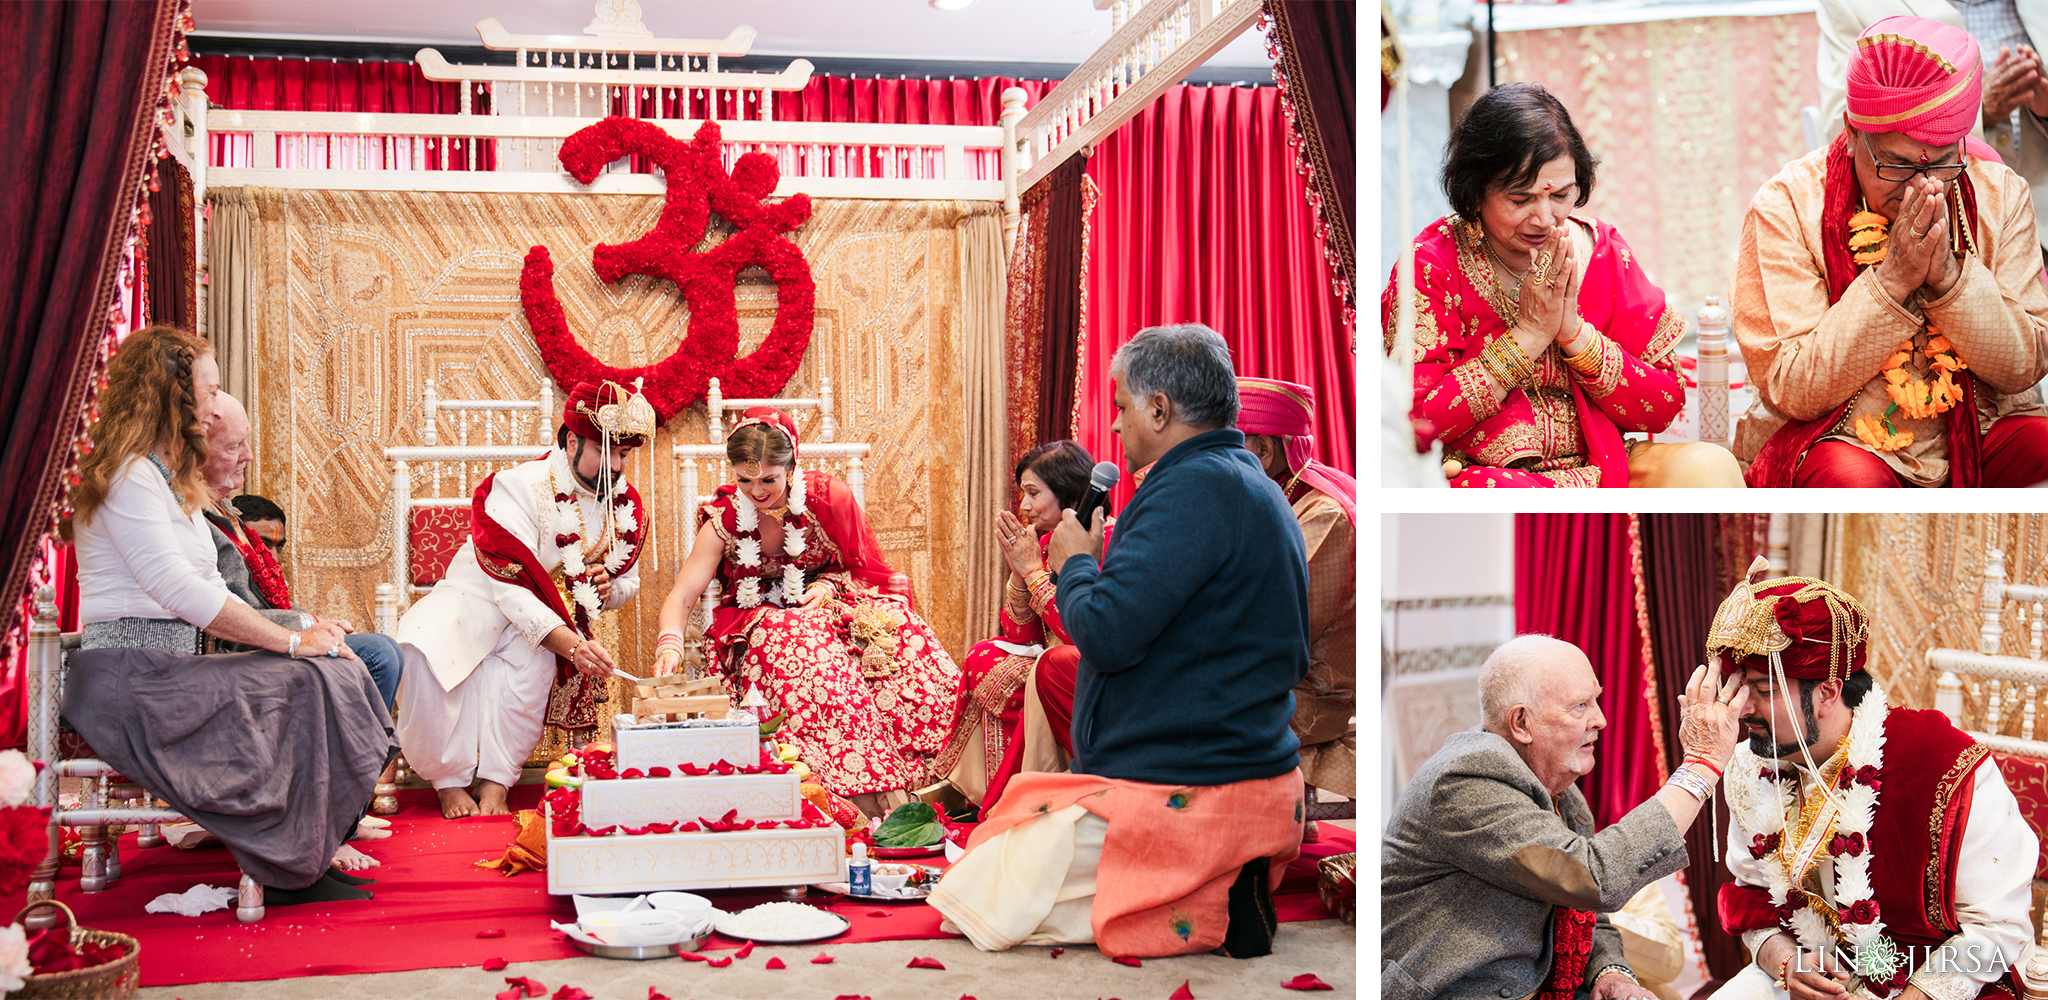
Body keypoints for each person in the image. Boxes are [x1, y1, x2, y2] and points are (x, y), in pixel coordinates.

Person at [931, 323, 1308, 960]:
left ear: (1159, 409)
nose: (1114, 427)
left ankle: (1208, 895)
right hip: (1242, 765)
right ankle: (1216, 880)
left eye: (1121, 407)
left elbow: (1104, 636)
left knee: (977, 892)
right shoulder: (1247, 483)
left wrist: (1077, 561)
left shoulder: (1192, 489)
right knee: (1003, 865)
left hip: (1193, 781)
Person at [61, 326, 394, 904]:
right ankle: (288, 860)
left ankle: (303, 853)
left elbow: (213, 587)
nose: (216, 407)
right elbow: (176, 590)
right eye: (210, 392)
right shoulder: (129, 473)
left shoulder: (171, 484)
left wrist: (302, 633)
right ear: (172, 397)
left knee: (333, 666)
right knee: (311, 672)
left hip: (171, 667)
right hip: (130, 676)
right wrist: (292, 643)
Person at [1381, 82, 1746, 488]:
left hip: (1606, 463)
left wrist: (1574, 334)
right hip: (1484, 475)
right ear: (1476, 191)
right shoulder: (1433, 265)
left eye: (1562, 195)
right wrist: (1529, 336)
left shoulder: (1601, 251)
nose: (1544, 218)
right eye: (1520, 200)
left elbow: (1662, 403)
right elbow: (1414, 423)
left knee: (1707, 467)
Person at [1734, 16, 2048, 487]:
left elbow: (2028, 363)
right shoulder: (1786, 207)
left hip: (1981, 426)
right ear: (1852, 132)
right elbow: (1791, 385)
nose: (1922, 187)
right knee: (1848, 479)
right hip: (1847, 437)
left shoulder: (2000, 193)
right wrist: (1892, 280)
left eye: (1943, 163)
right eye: (1897, 164)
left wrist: (1949, 279)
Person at [1709, 558, 2036, 999]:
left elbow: (2000, 928)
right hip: (1815, 972)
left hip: (1936, 979)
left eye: (1763, 691)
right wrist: (1787, 962)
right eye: (1737, 688)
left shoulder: (1944, 765)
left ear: (1826, 692)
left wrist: (1920, 995)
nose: (1742, 710)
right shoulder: (1750, 766)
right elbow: (1752, 900)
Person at [1381, 635, 1751, 1000]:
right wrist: (1700, 766)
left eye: (1597, 700)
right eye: (1580, 706)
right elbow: (1590, 878)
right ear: (1521, 723)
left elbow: (1581, 911)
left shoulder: (1558, 788)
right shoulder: (1467, 778)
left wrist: (1611, 972)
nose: (1601, 719)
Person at [650, 407, 963, 820]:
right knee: (803, 646)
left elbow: (864, 567)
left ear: (792, 465)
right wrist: (669, 647)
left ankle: (939, 781)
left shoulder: (827, 499)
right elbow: (682, 595)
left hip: (835, 601)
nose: (756, 492)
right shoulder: (725, 519)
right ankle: (850, 800)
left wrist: (828, 585)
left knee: (906, 636)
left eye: (768, 480)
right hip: (761, 618)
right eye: (745, 480)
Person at [395, 380, 651, 819]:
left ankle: (497, 782)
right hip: (474, 597)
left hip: (541, 620)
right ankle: (448, 782)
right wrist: (571, 644)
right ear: (572, 440)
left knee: (534, 662)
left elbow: (630, 581)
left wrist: (608, 586)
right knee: (421, 648)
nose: (615, 464)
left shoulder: (625, 504)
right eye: (604, 450)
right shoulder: (517, 486)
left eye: (623, 454)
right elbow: (510, 587)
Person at [200, 394, 401, 710]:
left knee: (384, 647)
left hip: (269, 643)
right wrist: (309, 625)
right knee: (379, 653)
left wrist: (317, 623)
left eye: (246, 443)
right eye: (233, 446)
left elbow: (266, 599)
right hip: (240, 653)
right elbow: (232, 617)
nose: (249, 456)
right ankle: (355, 757)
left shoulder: (227, 514)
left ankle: (352, 756)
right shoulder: (198, 522)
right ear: (197, 452)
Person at [1817, 0, 2048, 265]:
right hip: (1920, 218)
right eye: (1898, 163)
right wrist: (1975, 112)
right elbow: (1844, 121)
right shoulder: (1850, 5)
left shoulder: (2007, 190)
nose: (1922, 185)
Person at [935, 440, 1097, 812]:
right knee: (984, 657)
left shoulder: (1100, 540)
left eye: (1033, 493)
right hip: (1052, 657)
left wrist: (1034, 573)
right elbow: (1021, 635)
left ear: (1068, 493)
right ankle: (982, 790)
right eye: (1023, 493)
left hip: (1087, 666)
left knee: (1031, 667)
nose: (1023, 506)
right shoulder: (1041, 543)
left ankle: (1013, 796)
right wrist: (1020, 576)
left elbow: (1083, 629)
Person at [1236, 376, 1356, 820]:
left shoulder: (1324, 513)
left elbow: (1274, 625)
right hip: (1267, 674)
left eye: (1228, 448)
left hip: (1302, 697)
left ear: (1264, 452)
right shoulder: (1280, 496)